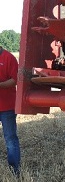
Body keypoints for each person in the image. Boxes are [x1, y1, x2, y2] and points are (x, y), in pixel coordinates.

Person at [0, 45, 21, 174]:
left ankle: (15, 170)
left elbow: (15, 80)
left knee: (10, 139)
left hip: (7, 107)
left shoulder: (9, 58)